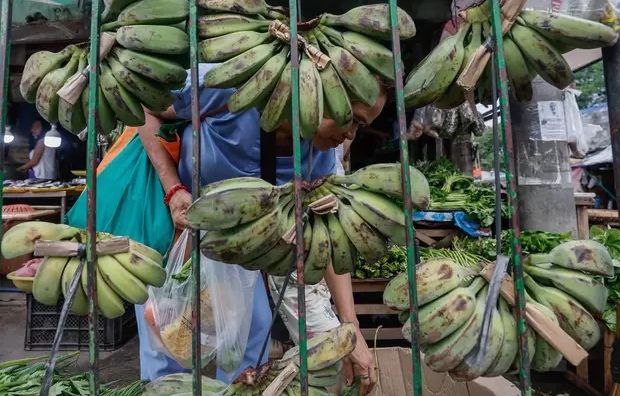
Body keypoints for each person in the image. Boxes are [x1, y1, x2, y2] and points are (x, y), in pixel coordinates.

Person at [138, 63, 386, 393]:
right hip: (178, 229)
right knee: (165, 338)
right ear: (321, 95)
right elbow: (143, 105)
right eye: (351, 118)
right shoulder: (232, 88)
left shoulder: (320, 160)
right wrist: (173, 188)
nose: (351, 134)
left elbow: (325, 240)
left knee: (250, 339)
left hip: (239, 252)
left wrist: (350, 325)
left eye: (362, 125)